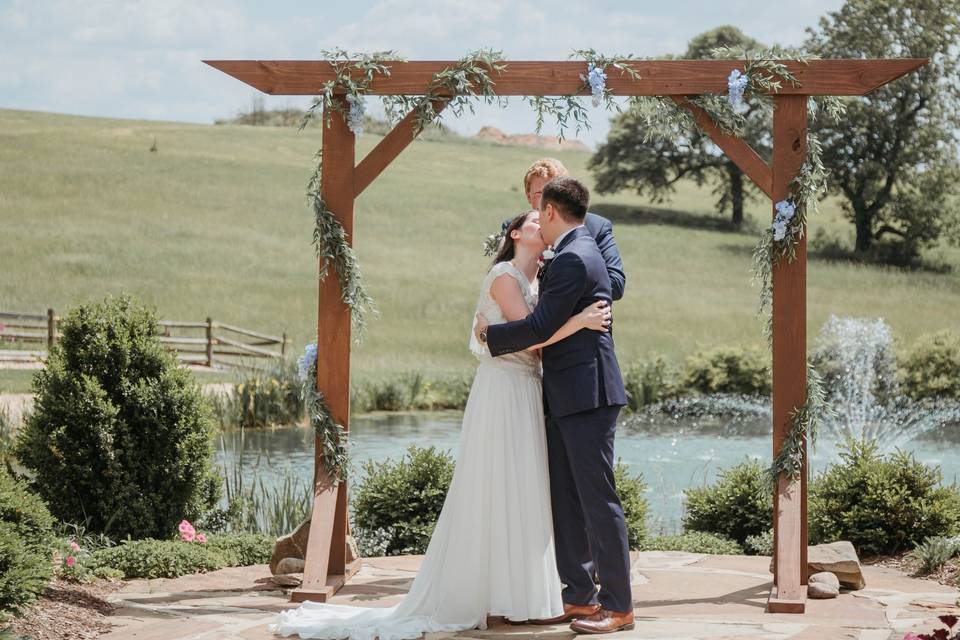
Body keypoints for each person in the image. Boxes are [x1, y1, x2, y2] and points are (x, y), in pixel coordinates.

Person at [270, 209, 612, 639]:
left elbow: (531, 335)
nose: (541, 224)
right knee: (494, 485)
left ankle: (518, 595)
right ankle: (485, 593)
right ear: (515, 233)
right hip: (504, 390)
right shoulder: (505, 276)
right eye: (532, 221)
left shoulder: (536, 280)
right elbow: (530, 338)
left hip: (527, 390)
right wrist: (580, 322)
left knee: (522, 488)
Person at [476, 176, 634, 635]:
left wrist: (491, 336)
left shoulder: (573, 258)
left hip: (588, 394)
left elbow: (541, 324)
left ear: (549, 212)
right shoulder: (572, 253)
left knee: (598, 501)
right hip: (566, 392)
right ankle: (579, 598)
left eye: (537, 211)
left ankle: (619, 606)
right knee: (568, 500)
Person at [509, 158, 624, 301]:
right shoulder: (515, 229)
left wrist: (563, 288)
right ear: (529, 197)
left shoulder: (596, 227)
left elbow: (617, 285)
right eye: (541, 194)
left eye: (555, 192)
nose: (549, 200)